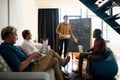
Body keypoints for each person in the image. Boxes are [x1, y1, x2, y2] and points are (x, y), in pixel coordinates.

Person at [0, 26, 70, 80]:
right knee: (51, 51)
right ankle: (63, 62)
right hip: (31, 69)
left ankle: (61, 78)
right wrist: (32, 56)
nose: (17, 37)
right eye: (15, 35)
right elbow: (20, 68)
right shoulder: (6, 49)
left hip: (33, 64)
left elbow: (25, 58)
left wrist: (35, 56)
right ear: (9, 35)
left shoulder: (12, 46)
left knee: (55, 60)